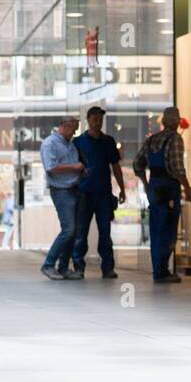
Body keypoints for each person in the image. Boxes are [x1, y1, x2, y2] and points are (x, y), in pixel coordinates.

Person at [133, 107, 191, 283]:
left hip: (154, 188)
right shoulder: (175, 139)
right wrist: (188, 189)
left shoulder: (151, 140)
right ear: (176, 122)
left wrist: (146, 184)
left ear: (164, 121)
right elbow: (178, 167)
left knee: (156, 230)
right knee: (168, 231)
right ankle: (162, 272)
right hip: (168, 190)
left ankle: (158, 270)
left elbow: (138, 164)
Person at [73, 106, 125, 279]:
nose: (98, 123)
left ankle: (108, 267)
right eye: (95, 120)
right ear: (88, 120)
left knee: (105, 232)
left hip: (104, 194)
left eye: (100, 120)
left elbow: (116, 167)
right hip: (84, 194)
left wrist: (122, 188)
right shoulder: (78, 142)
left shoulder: (109, 142)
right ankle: (79, 267)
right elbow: (72, 168)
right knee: (81, 232)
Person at [39, 116, 85, 280]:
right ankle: (48, 264)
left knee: (73, 232)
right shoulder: (50, 144)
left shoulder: (70, 145)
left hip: (73, 189)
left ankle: (63, 267)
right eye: (73, 129)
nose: (74, 133)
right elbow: (51, 168)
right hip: (61, 191)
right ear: (65, 126)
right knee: (69, 229)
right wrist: (74, 167)